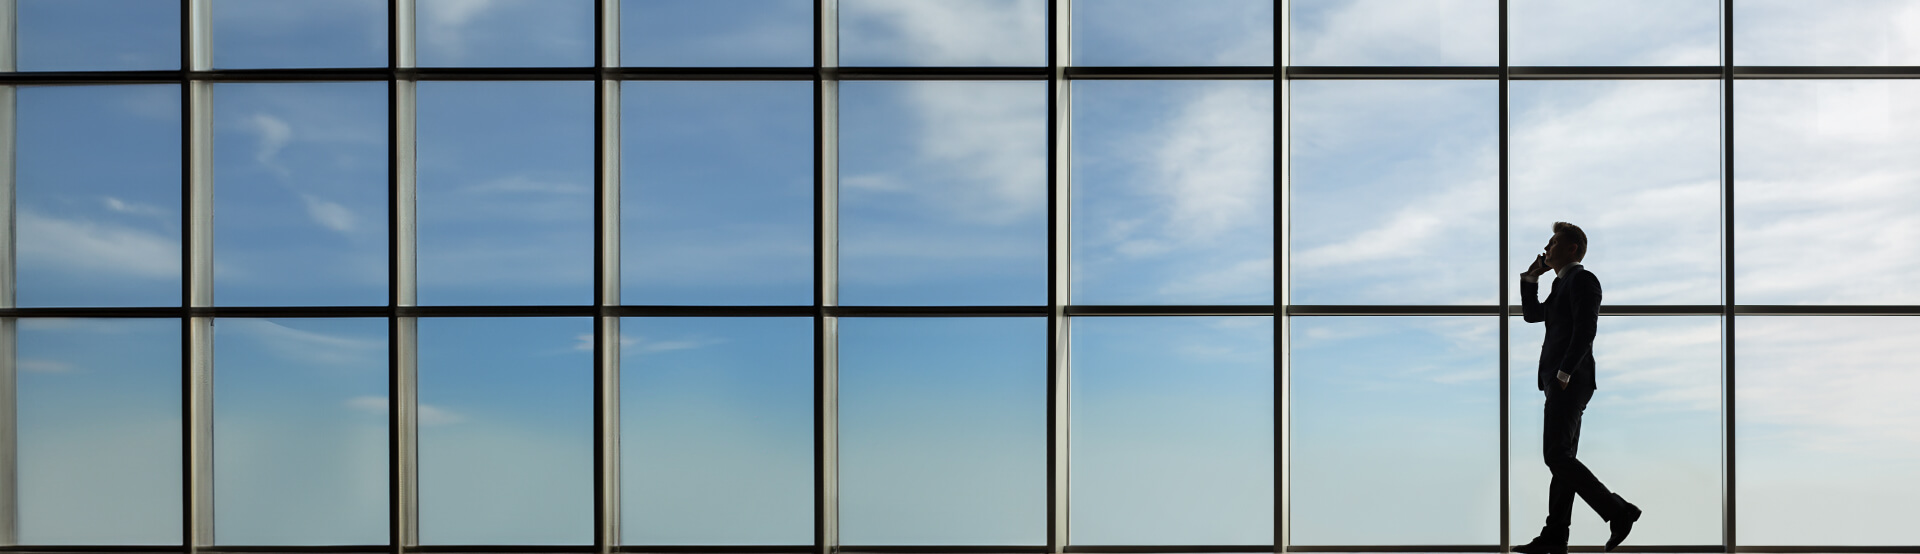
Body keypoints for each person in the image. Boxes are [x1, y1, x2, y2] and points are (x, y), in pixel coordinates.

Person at [1513, 222, 1640, 554]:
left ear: (1572, 248)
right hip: (1560, 380)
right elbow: (1531, 315)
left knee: (1556, 456)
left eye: (1553, 242)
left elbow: (1586, 329)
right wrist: (1530, 278)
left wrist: (1565, 373)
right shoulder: (1561, 284)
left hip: (1569, 379)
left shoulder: (1582, 279)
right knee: (1562, 458)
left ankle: (1618, 511)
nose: (1547, 248)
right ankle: (1555, 535)